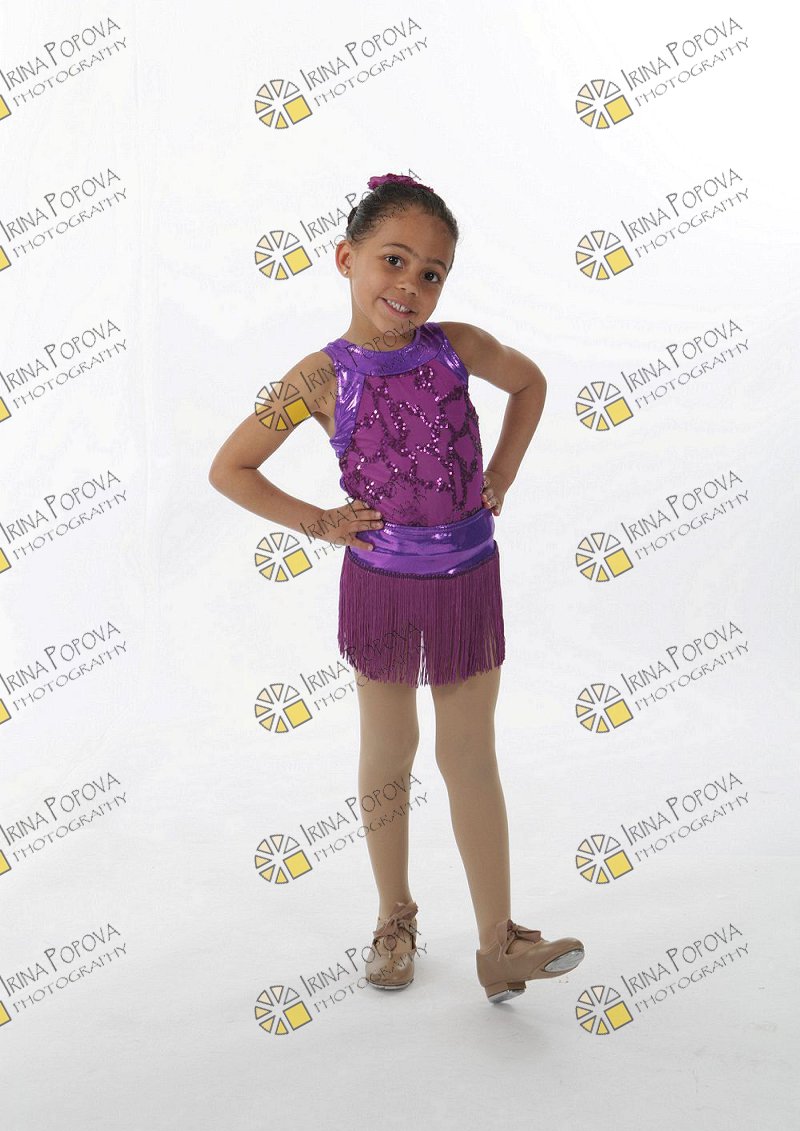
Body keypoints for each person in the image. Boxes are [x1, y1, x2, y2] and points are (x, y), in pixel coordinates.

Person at [208, 172, 585, 1003]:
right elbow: (230, 468)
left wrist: (501, 472)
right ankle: (394, 917)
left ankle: (499, 943)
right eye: (393, 260)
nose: (411, 284)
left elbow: (530, 384)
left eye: (432, 272)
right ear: (346, 258)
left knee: (469, 752)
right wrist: (319, 522)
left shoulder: (458, 347)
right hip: (382, 581)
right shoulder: (320, 377)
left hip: (469, 577)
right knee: (390, 751)